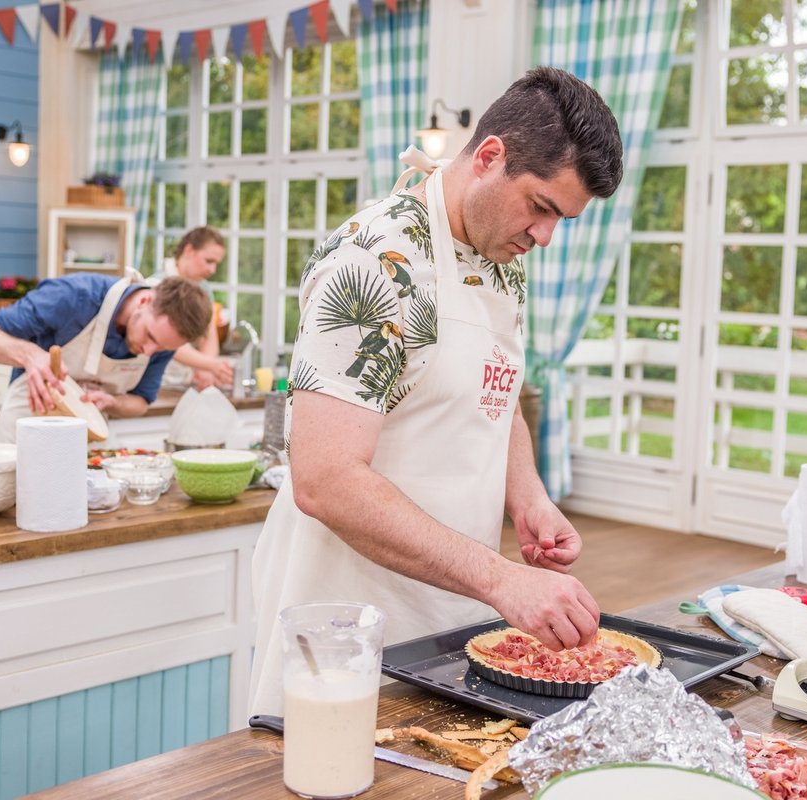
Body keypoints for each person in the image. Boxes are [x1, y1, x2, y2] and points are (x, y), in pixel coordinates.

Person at [249, 66, 625, 715]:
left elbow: (495, 394)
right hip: (346, 628)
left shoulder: (501, 259)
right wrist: (502, 577)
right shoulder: (372, 263)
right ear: (488, 157)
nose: (545, 237)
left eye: (562, 219)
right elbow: (325, 478)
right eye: (541, 207)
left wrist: (529, 498)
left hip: (451, 615)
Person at [0, 270, 212, 443]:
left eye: (161, 349)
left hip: (89, 441)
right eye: (150, 337)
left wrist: (112, 402)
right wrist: (30, 356)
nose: (149, 352)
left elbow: (141, 402)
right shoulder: (73, 296)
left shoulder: (163, 341)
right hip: (25, 427)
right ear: (145, 301)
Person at [161, 226, 235, 391]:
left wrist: (205, 370)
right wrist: (211, 365)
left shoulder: (204, 289)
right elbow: (166, 340)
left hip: (190, 385)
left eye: (216, 263)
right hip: (160, 384)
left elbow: (209, 337)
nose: (212, 270)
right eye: (209, 261)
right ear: (189, 251)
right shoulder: (158, 285)